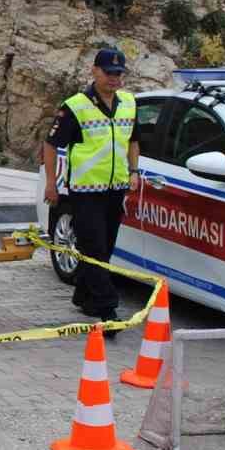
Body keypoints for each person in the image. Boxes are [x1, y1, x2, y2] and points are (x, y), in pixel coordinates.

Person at [43, 48, 143, 332]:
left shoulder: (129, 103)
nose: (114, 78)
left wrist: (134, 171)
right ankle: (108, 310)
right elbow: (51, 145)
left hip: (115, 189)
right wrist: (52, 184)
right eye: (109, 73)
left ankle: (84, 296)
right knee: (95, 248)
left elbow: (133, 140)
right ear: (94, 71)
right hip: (85, 191)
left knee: (105, 249)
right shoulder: (75, 106)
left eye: (119, 73)